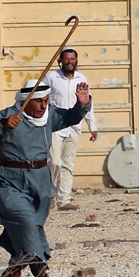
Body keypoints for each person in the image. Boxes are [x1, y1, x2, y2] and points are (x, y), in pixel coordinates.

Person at [0, 79, 92, 277]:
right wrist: (1, 125)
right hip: (9, 180)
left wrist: (82, 105)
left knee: (30, 227)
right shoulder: (9, 115)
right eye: (38, 102)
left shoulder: (49, 116)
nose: (43, 107)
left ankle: (12, 275)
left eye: (46, 101)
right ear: (26, 101)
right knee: (26, 222)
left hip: (40, 180)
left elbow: (71, 117)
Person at [42, 46, 98, 211]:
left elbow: (87, 103)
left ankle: (64, 200)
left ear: (76, 61)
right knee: (54, 162)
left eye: (72, 59)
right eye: (66, 59)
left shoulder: (81, 78)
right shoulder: (52, 77)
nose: (69, 62)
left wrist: (92, 125)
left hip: (74, 126)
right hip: (56, 126)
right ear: (61, 60)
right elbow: (41, 97)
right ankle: (48, 195)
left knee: (68, 164)